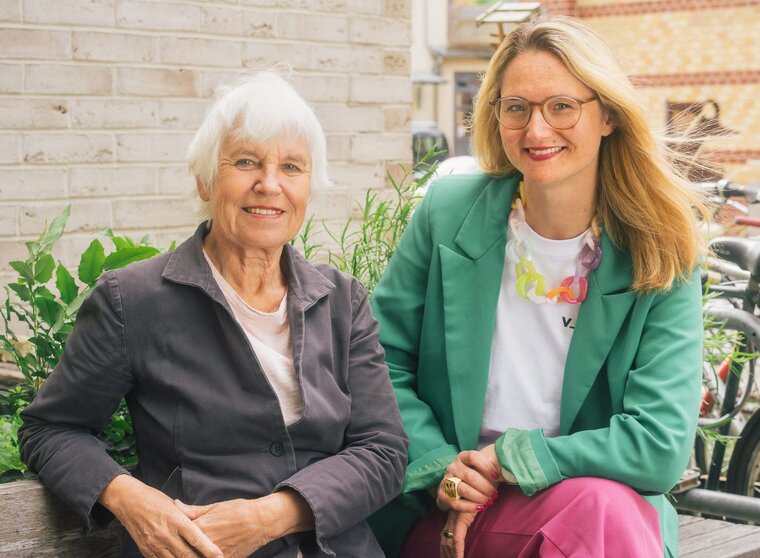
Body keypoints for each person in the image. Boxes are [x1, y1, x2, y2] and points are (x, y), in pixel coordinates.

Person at [18, 71, 408, 558]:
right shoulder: (133, 299)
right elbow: (50, 429)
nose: (269, 185)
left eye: (291, 167)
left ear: (309, 187)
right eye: (246, 162)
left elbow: (384, 452)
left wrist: (272, 515)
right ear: (205, 180)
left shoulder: (341, 298)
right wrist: (130, 498)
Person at [369, 16, 706, 558]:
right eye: (516, 107)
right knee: (604, 519)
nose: (536, 130)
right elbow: (380, 364)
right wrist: (438, 468)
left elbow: (659, 447)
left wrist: (512, 461)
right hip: (448, 508)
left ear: (608, 117)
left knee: (599, 511)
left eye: (562, 107)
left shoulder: (660, 251)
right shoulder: (447, 215)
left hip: (590, 507)